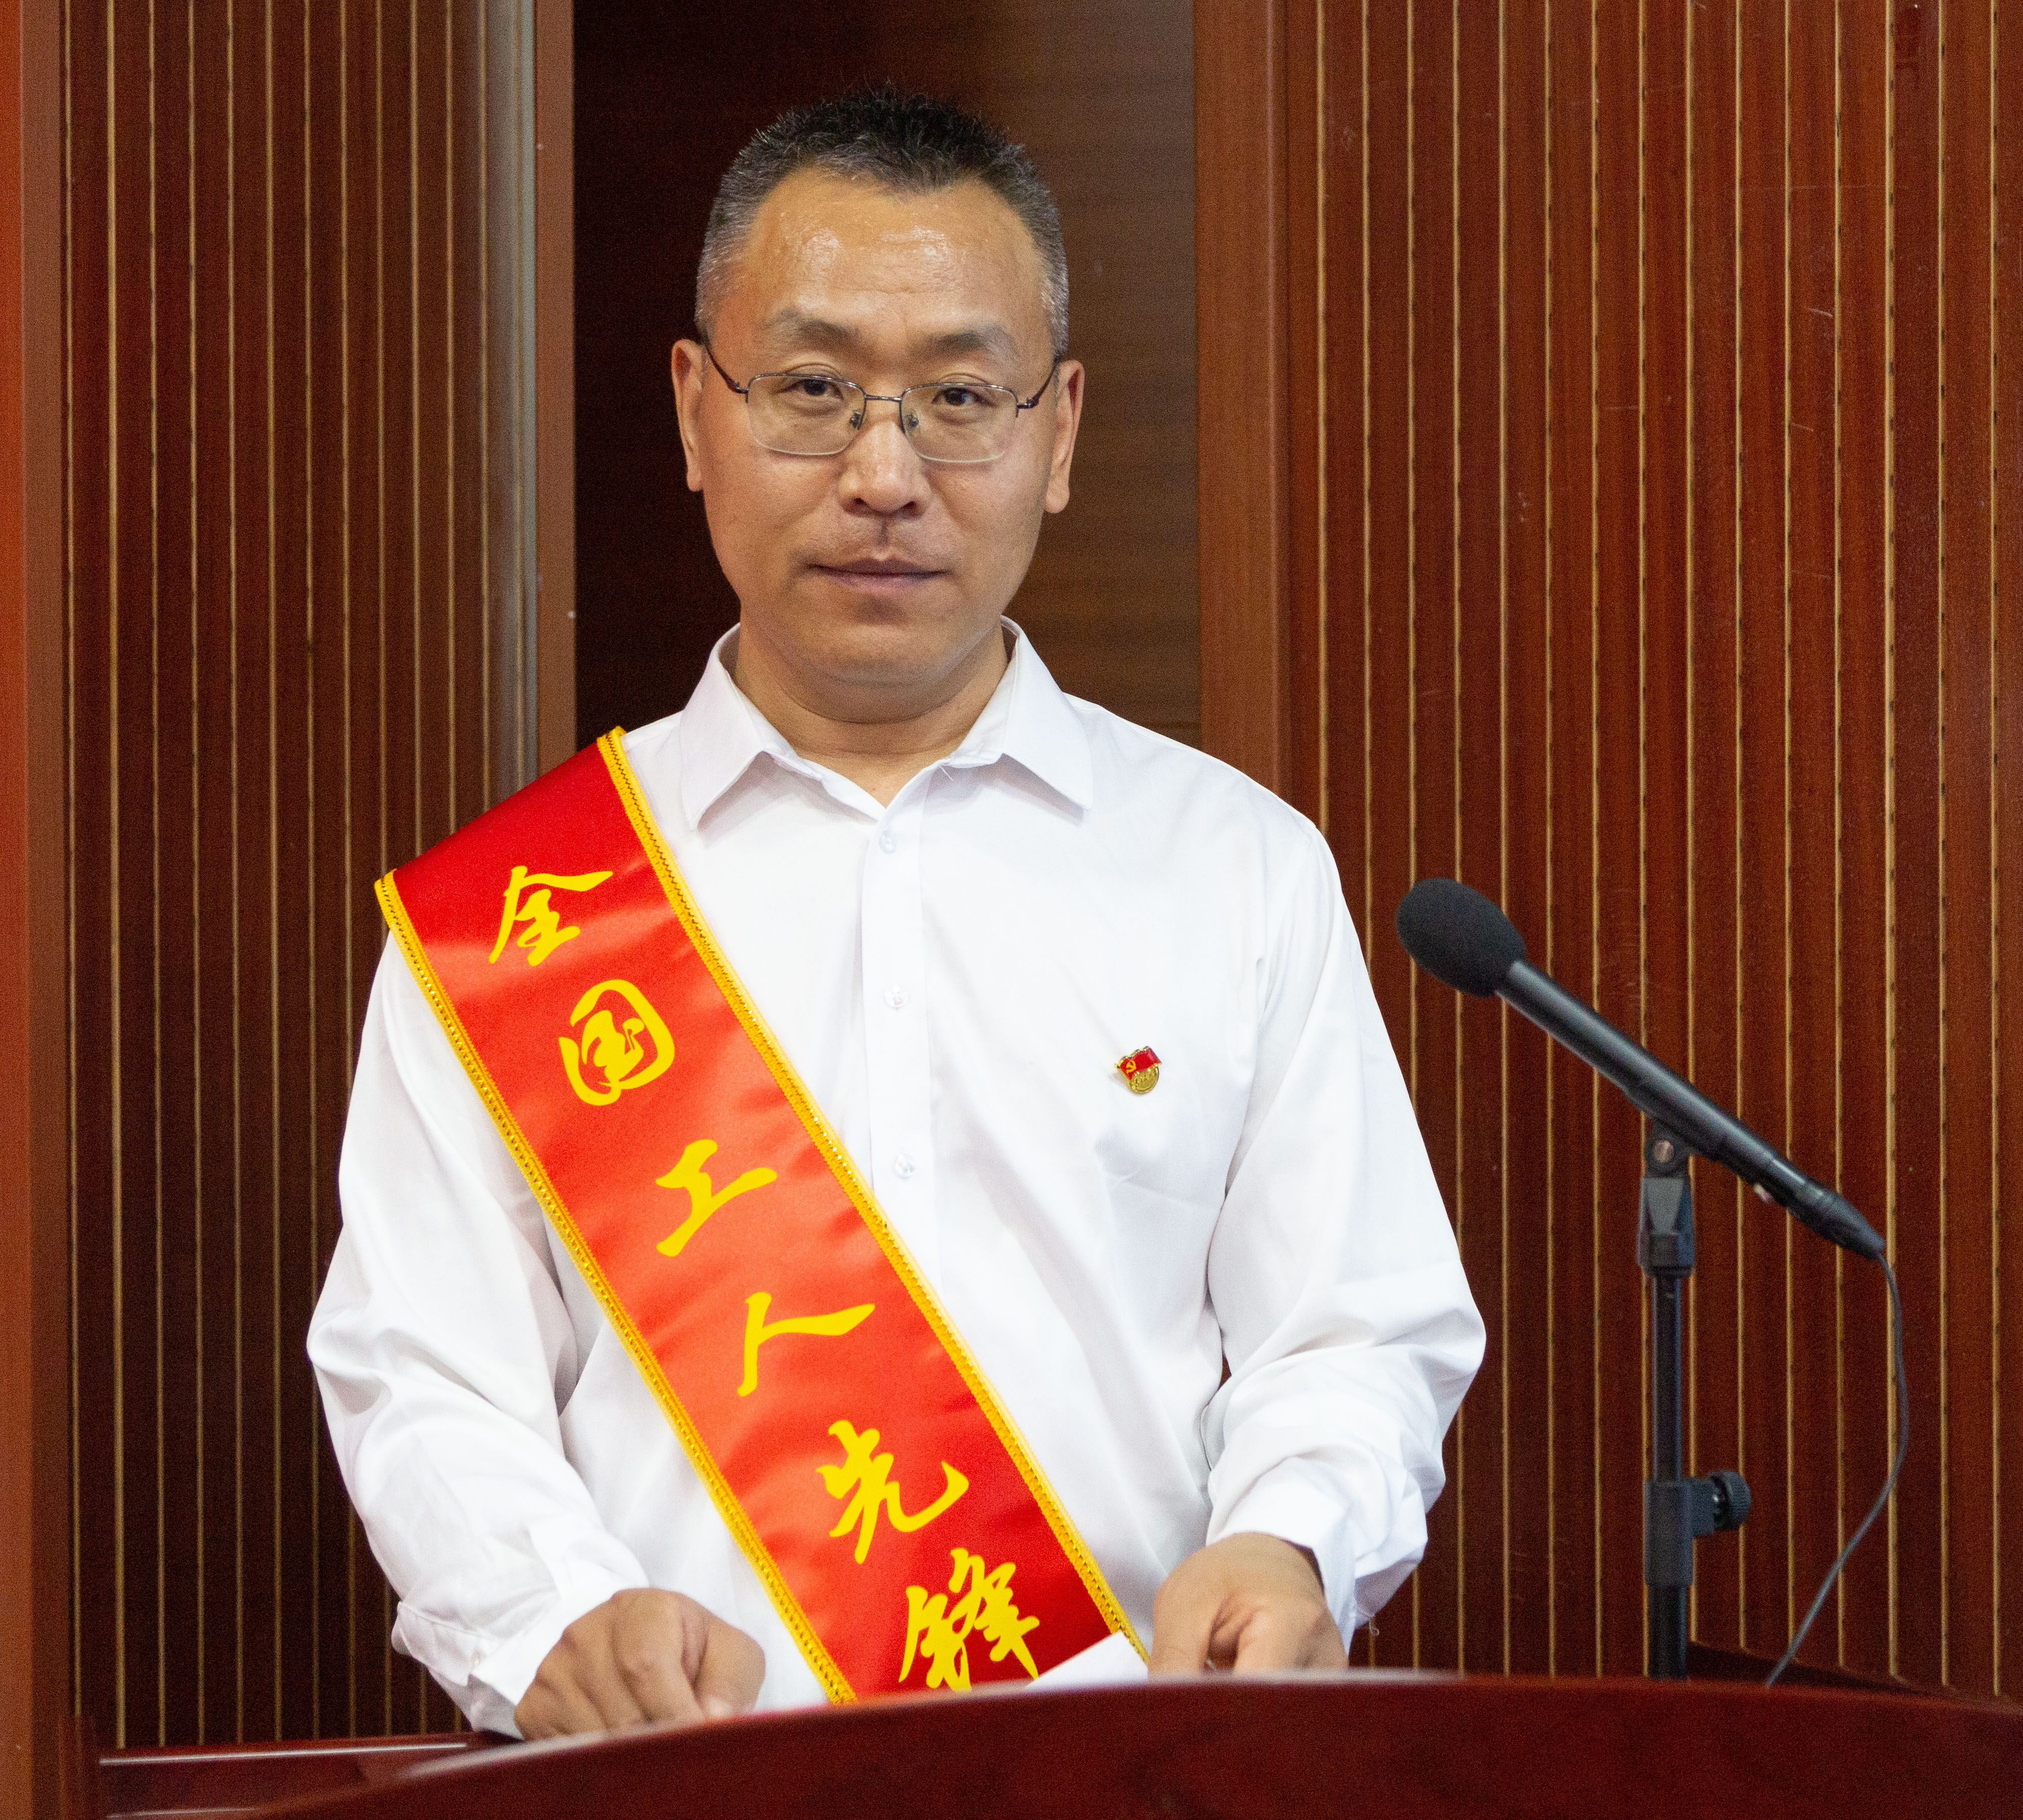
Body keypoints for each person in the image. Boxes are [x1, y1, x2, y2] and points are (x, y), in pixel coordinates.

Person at [308, 86, 1485, 1740]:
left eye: (958, 397)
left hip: (1119, 1775)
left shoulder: (1235, 870)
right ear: (695, 413)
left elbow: (1355, 1327)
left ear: (1058, 433)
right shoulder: (514, 922)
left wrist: (1291, 1535)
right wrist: (552, 1613)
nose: (883, 472)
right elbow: (423, 1373)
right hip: (672, 1785)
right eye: (813, 389)